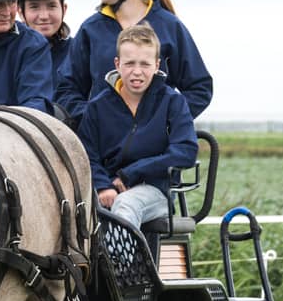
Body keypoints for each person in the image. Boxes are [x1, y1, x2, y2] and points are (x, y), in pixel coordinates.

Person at [56, 0, 212, 126]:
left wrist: (164, 120)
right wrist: (94, 117)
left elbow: (199, 88)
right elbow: (66, 89)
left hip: (158, 148)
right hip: (101, 145)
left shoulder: (170, 27)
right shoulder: (90, 29)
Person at [78, 24, 199, 230]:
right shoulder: (97, 106)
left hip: (155, 191)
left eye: (144, 64)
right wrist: (103, 186)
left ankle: (120, 264)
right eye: (129, 63)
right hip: (105, 189)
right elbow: (87, 154)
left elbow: (185, 151)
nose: (137, 72)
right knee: (74, 209)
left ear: (156, 64)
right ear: (117, 64)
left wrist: (131, 173)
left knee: (125, 204)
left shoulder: (172, 102)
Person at [17, 0, 72, 112]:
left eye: (51, 6)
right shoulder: (9, 54)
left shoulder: (78, 53)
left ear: (64, 9)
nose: (44, 15)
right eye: (34, 7)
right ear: (20, 12)